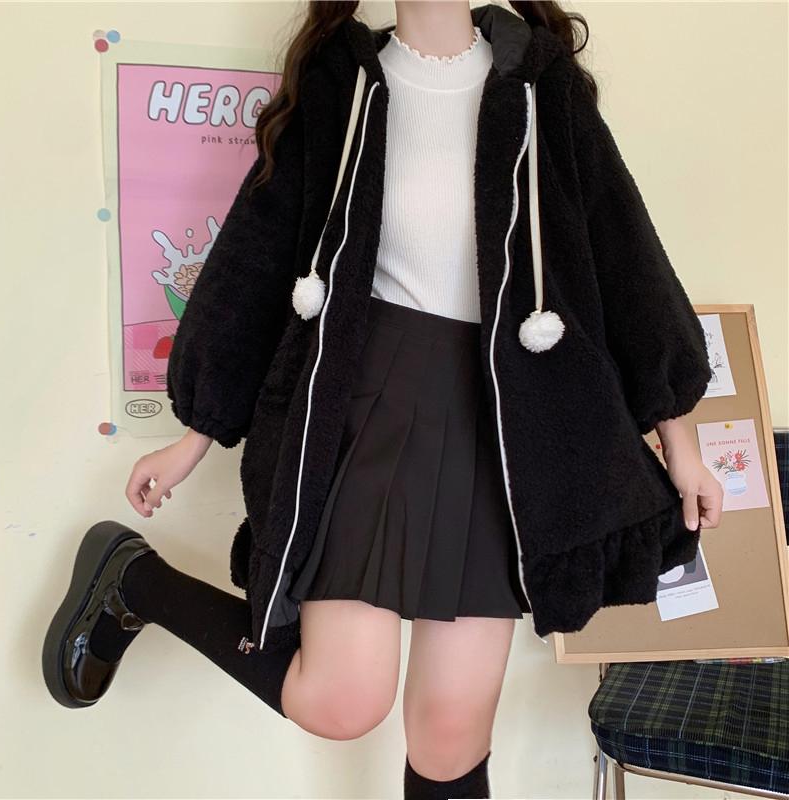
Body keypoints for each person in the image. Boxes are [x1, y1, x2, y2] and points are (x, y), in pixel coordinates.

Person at [42, 2, 724, 798]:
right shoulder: (343, 84)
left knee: (450, 735)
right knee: (341, 701)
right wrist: (195, 434)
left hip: (504, 420)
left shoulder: (543, 88)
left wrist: (683, 446)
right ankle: (135, 579)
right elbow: (255, 257)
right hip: (363, 405)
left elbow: (627, 259)